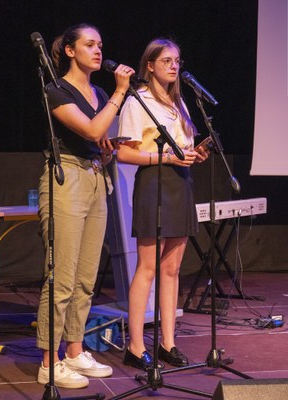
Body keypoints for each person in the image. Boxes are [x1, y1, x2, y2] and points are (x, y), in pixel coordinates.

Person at [36, 23, 134, 389]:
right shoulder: (56, 89)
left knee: (85, 277)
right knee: (61, 276)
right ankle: (50, 361)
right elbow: (92, 131)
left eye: (101, 44)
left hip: (95, 177)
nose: (98, 50)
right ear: (70, 51)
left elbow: (100, 140)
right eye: (89, 44)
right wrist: (120, 94)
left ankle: (75, 350)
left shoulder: (97, 91)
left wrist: (109, 148)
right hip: (67, 178)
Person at [116, 38, 209, 370]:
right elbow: (123, 152)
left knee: (172, 270)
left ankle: (169, 343)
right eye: (167, 60)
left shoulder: (178, 104)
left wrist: (195, 154)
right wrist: (165, 157)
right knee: (149, 267)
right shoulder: (137, 103)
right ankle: (135, 344)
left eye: (177, 60)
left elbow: (184, 147)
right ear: (150, 65)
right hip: (154, 184)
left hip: (181, 185)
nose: (174, 65)